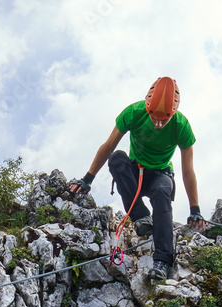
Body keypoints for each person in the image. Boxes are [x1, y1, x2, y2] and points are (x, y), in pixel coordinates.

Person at [68, 76, 208, 281]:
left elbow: (188, 170)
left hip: (161, 174)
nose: (159, 124)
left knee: (161, 192)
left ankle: (162, 261)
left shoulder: (182, 126)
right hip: (135, 173)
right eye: (154, 118)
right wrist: (87, 179)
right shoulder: (134, 113)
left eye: (164, 119)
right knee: (117, 159)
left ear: (174, 113)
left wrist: (195, 210)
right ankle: (141, 216)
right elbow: (108, 147)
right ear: (147, 106)